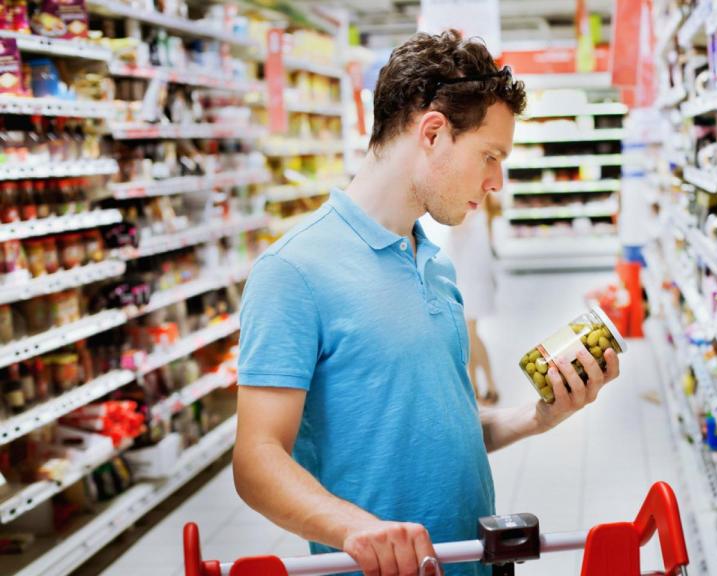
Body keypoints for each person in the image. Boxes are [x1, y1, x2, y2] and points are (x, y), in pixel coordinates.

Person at [232, 30, 622, 576]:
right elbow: (255, 460)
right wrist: (355, 530)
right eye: (490, 155)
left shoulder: (435, 261)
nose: (496, 181)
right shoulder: (293, 271)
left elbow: (442, 425)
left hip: (472, 562)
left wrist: (537, 417)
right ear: (434, 132)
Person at [447, 201, 500, 405]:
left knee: (469, 333)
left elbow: (457, 227)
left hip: (471, 279)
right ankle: (475, 387)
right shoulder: (477, 207)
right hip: (468, 277)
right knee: (468, 333)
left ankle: (491, 386)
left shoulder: (470, 209)